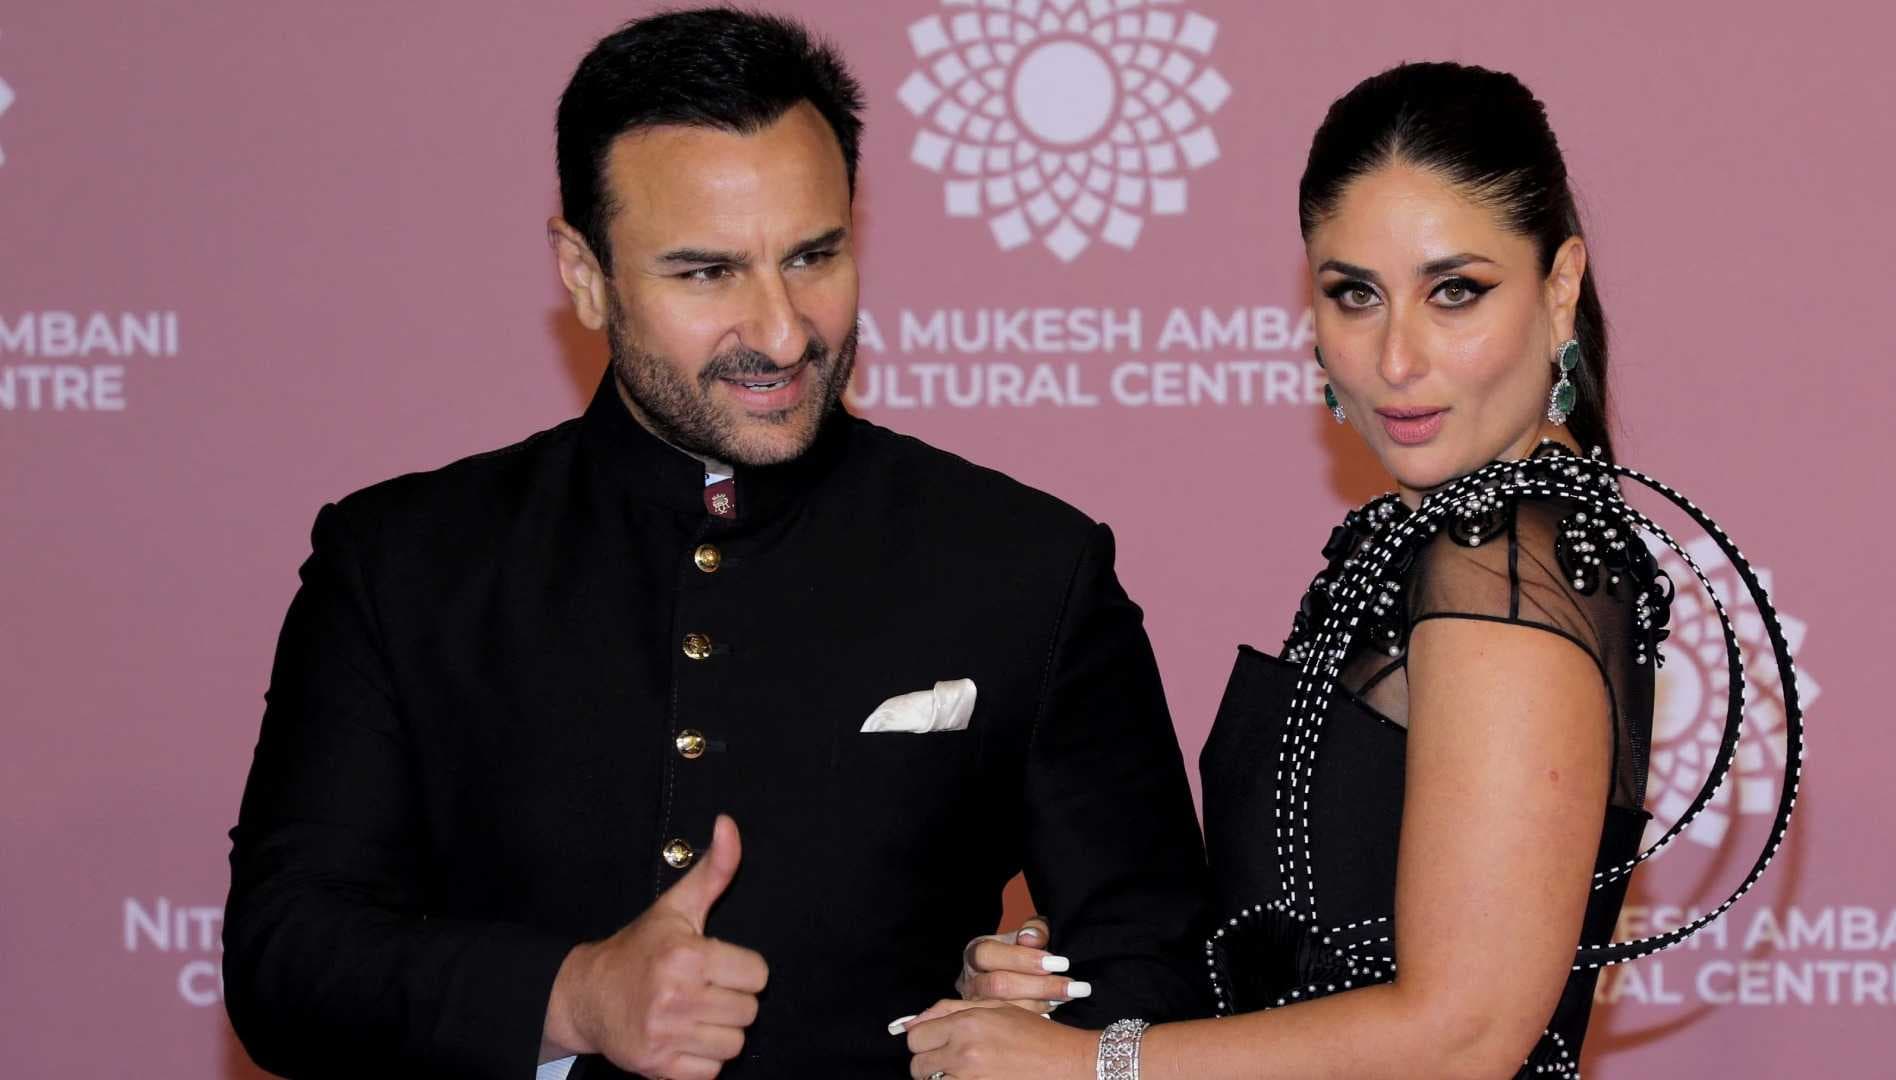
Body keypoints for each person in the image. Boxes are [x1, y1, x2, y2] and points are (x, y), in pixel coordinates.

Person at [221, 10, 1212, 1080]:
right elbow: (287, 960)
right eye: (706, 273)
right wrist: (571, 996)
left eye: (814, 256)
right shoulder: (403, 563)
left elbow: (1160, 958)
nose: (782, 332)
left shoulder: (1027, 565)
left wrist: (1047, 1009)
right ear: (585, 272)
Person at [903, 61, 1801, 1079]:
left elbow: (1462, 1033)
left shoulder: (1506, 560)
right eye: (1355, 295)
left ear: (1560, 289)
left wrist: (1094, 1066)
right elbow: (1300, 959)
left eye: (1455, 292)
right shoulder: (1438, 539)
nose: (1397, 358)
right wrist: (1077, 993)